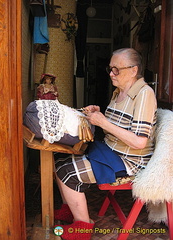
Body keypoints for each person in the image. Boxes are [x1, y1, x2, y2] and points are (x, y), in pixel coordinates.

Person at [53, 48, 157, 240]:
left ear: (133, 70)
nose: (111, 73)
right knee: (60, 156)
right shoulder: (119, 92)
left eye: (116, 69)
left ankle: (83, 228)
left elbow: (139, 142)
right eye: (110, 69)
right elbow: (114, 125)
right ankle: (70, 209)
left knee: (67, 172)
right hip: (110, 150)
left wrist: (103, 122)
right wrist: (98, 114)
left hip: (129, 160)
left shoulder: (144, 94)